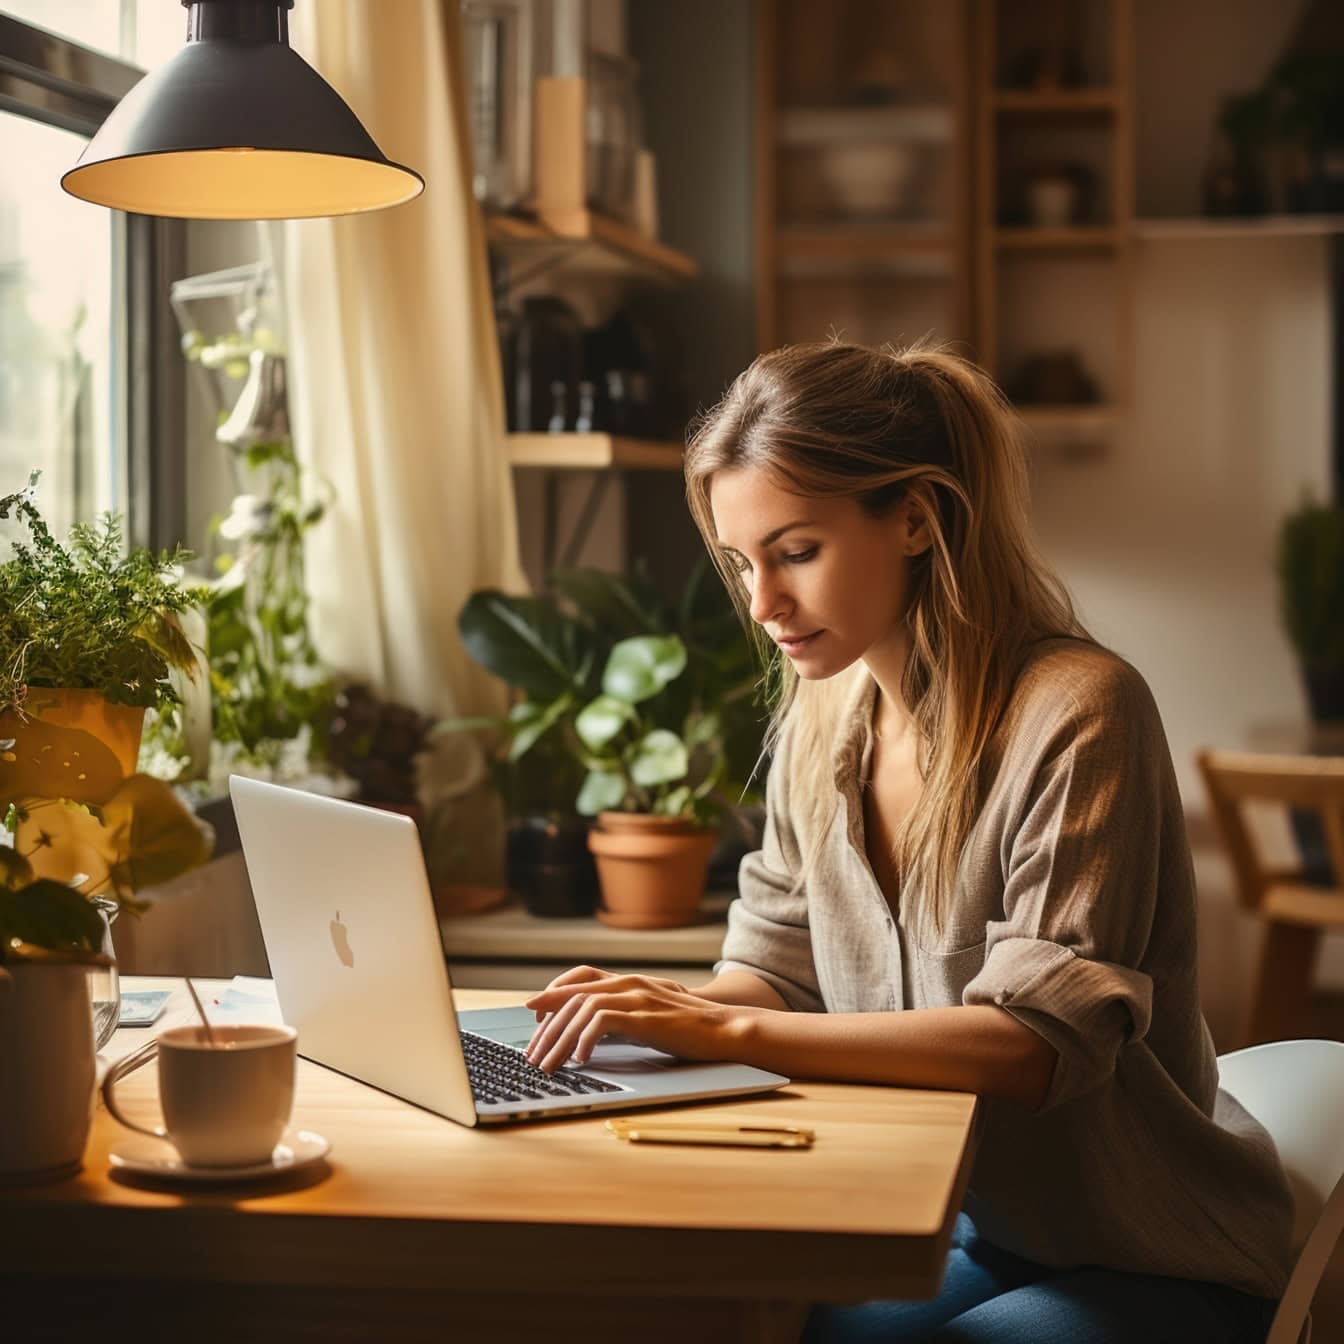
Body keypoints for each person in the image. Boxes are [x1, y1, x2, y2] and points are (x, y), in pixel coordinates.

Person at [521, 340, 1294, 1342]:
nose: (763, 607)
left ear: (917, 520)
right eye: (743, 562)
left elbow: (1035, 1046)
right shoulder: (818, 718)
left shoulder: (1081, 711)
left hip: (1151, 1248)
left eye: (797, 552)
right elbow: (777, 973)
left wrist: (724, 1033)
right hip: (971, 1227)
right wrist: (652, 1012)